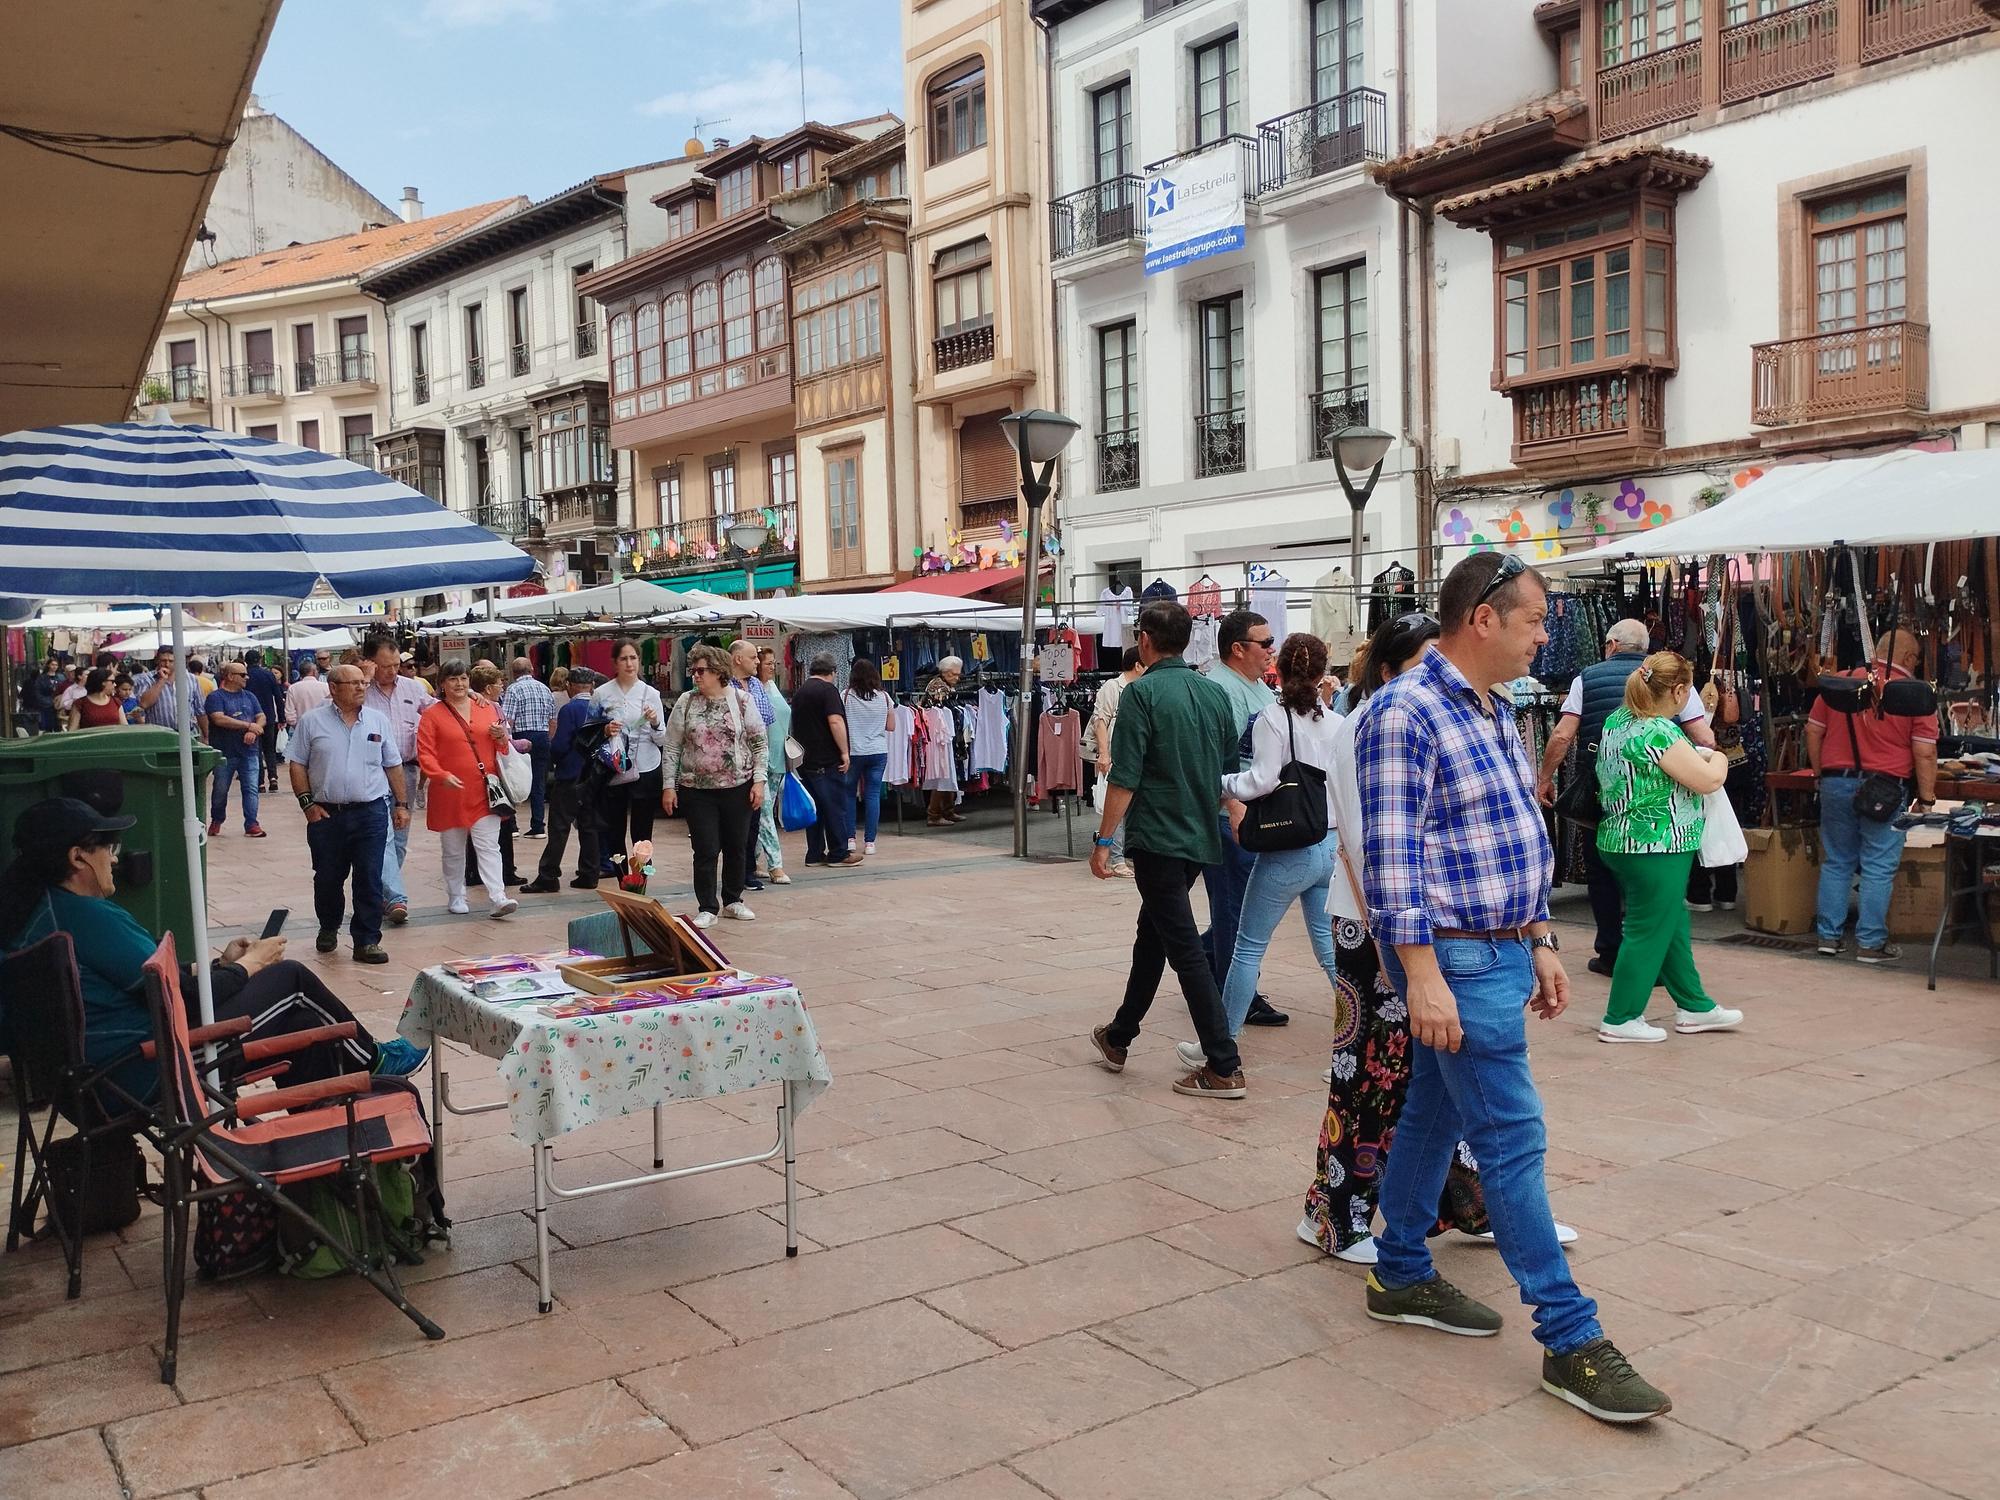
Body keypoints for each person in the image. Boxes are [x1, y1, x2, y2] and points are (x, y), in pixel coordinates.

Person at [1357, 551, 1671, 1425]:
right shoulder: (1404, 712)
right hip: (1453, 958)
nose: (1545, 636)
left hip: (1497, 946)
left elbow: (1509, 833)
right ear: (1482, 618)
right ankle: (1572, 1339)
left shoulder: (1495, 708)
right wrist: (1420, 975)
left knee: (1433, 1112)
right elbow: (1392, 860)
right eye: (1534, 621)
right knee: (1513, 1140)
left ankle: (1401, 1273)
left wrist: (1539, 936)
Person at [0, 798, 424, 1107]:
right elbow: (178, 996)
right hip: (149, 1066)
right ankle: (373, 1059)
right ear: (78, 857)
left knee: (302, 1021)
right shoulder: (85, 919)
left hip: (99, 1071)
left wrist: (222, 965)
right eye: (107, 844)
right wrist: (248, 967)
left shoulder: (43, 912)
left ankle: (322, 1126)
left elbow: (143, 980)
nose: (116, 855)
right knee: (291, 979)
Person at [1086, 601, 1246, 1100]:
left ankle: (1223, 1063)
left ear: (1146, 639)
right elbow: (1225, 770)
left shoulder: (1142, 694)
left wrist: (1104, 841)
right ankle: (1119, 1035)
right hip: (1198, 836)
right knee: (1152, 935)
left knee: (1181, 948)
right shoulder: (1215, 694)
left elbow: (1124, 776)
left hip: (1158, 837)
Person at [1173, 635, 1342, 1083]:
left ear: (1280, 672)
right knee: (1331, 955)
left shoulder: (1273, 718)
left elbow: (1263, 781)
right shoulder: (1338, 723)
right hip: (1328, 847)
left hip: (1287, 849)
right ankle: (1355, 1048)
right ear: (1323, 672)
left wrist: (1222, 783)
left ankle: (1220, 1045)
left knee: (1247, 947)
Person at [1536, 619, 1714, 977]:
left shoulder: (1585, 678)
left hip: (1603, 789)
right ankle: (1658, 959)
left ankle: (1612, 953)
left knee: (1603, 871)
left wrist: (1544, 779)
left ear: (1612, 645)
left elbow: (1561, 734)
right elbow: (1704, 737)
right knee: (1653, 878)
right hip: (1661, 798)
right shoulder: (1672, 680)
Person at [1593, 652, 1743, 1043]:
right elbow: (1708, 780)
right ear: (1677, 691)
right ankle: (1621, 1017)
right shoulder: (1659, 731)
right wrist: (1720, 757)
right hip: (1657, 845)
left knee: (1669, 922)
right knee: (1647, 930)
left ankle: (1695, 1006)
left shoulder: (1618, 721)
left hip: (1622, 841)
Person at [1808, 626, 1938, 964]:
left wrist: (1821, 774)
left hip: (1836, 781)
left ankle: (1828, 937)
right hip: (1885, 789)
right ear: (1909, 658)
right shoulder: (1915, 693)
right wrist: (1926, 798)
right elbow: (1924, 752)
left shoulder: (1840, 681)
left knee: (1837, 861)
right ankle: (1869, 943)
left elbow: (1813, 731)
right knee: (1878, 866)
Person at [1200, 610, 1288, 1027]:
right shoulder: (1221, 689)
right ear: (1238, 648)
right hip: (1230, 817)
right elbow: (1216, 758)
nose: (1272, 649)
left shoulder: (1257, 688)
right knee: (1235, 908)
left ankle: (1205, 957)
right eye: (1265, 643)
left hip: (1256, 815)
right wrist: (1233, 809)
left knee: (1241, 907)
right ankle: (1236, 995)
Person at [288, 664, 409, 964]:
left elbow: (392, 764)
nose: (360, 688)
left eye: (363, 683)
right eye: (353, 683)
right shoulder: (312, 722)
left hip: (370, 812)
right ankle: (329, 925)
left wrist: (402, 804)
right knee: (328, 878)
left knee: (369, 877)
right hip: (327, 815)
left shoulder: (377, 721)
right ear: (333, 688)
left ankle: (366, 940)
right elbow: (297, 764)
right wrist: (307, 804)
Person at [661, 643, 769, 928]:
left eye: (701, 671)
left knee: (737, 845)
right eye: (693, 670)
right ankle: (707, 905)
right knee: (706, 848)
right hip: (697, 789)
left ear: (719, 672)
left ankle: (733, 900)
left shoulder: (742, 700)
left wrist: (759, 781)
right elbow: (671, 746)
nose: (695, 676)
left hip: (737, 785)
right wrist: (668, 786)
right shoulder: (685, 702)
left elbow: (759, 743)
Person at [416, 660, 517, 920]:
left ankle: (498, 896)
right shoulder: (432, 714)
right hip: (449, 793)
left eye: (463, 678)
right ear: (442, 684)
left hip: (485, 790)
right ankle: (456, 895)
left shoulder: (487, 708)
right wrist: (440, 775)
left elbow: (504, 748)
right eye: (452, 679)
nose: (459, 684)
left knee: (489, 845)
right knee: (453, 849)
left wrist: (501, 738)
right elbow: (425, 752)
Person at [364, 635, 430, 929]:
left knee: (400, 838)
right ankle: (395, 897)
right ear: (370, 664)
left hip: (406, 770)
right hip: (372, 772)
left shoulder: (413, 688)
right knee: (384, 835)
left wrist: (472, 699)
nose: (391, 671)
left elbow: (440, 711)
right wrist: (364, 679)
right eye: (383, 666)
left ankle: (381, 894)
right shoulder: (360, 690)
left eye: (395, 665)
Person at [522, 669, 604, 894]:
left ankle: (548, 874)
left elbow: (560, 744)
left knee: (559, 826)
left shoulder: (570, 709)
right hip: (593, 775)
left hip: (570, 774)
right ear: (591, 685)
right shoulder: (599, 708)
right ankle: (589, 873)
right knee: (588, 826)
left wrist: (555, 759)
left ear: (571, 685)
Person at [593, 639, 667, 868]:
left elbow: (662, 739)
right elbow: (587, 734)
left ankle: (643, 878)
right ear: (615, 662)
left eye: (633, 658)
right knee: (614, 830)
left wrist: (654, 722)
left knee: (642, 833)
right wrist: (604, 730)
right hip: (613, 768)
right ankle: (622, 879)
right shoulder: (601, 693)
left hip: (645, 768)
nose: (629, 664)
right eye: (624, 658)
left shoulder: (651, 693)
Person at [792, 654, 857, 867]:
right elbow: (835, 721)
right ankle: (839, 853)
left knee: (816, 808)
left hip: (806, 759)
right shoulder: (828, 691)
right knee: (835, 806)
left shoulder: (801, 691)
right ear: (833, 672)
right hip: (826, 758)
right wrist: (845, 752)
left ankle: (814, 853)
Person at [1090, 648, 1144, 877]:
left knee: (1128, 807)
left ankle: (1124, 854)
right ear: (1138, 665)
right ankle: (1117, 857)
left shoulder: (1141, 689)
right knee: (1117, 808)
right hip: (1114, 755)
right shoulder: (1113, 687)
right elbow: (1099, 720)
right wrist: (1104, 754)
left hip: (1132, 756)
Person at [471, 664, 526, 888]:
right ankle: (506, 871)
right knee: (503, 820)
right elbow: (502, 737)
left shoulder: (472, 706)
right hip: (495, 771)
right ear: (488, 688)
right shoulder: (492, 708)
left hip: (481, 770)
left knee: (478, 823)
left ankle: (474, 872)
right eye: (498, 683)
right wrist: (522, 744)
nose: (502, 686)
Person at [729, 641, 776, 891]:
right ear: (738, 659)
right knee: (735, 824)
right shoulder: (724, 685)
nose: (757, 662)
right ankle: (736, 873)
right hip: (732, 763)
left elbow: (767, 716)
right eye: (753, 658)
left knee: (753, 819)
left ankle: (748, 871)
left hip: (755, 761)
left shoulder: (757, 685)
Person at [203, 659, 267, 838]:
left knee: (251, 788)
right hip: (225, 752)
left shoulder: (249, 696)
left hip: (249, 750)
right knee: (220, 789)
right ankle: (217, 818)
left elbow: (261, 717)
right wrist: (248, 725)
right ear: (230, 676)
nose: (247, 677)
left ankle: (252, 823)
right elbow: (219, 719)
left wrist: (255, 730)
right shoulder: (216, 697)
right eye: (242, 675)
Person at [843, 658, 894, 857]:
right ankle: (870, 842)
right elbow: (891, 726)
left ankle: (850, 839)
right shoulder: (885, 697)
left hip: (854, 751)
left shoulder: (845, 696)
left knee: (848, 794)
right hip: (878, 751)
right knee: (872, 795)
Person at [501, 657, 556, 839]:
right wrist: (548, 738)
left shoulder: (513, 689)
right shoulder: (545, 688)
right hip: (542, 735)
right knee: (538, 782)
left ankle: (513, 825)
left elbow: (508, 720)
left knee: (512, 780)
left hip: (521, 737)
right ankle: (538, 825)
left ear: (513, 672)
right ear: (532, 669)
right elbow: (552, 719)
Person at [755, 648, 792, 885]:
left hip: (778, 758)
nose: (772, 667)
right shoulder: (753, 690)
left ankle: (753, 859)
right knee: (766, 812)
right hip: (762, 758)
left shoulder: (773, 688)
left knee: (762, 813)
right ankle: (775, 864)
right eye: (767, 663)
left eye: (773, 662)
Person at [923, 657, 964, 826]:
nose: (957, 678)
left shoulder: (942, 685)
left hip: (942, 734)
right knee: (941, 772)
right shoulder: (938, 687)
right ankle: (934, 814)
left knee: (947, 772)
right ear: (946, 673)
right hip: (937, 736)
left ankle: (948, 809)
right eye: (954, 675)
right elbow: (938, 713)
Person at [132, 649, 205, 734]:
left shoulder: (191, 679)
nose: (167, 664)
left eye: (171, 661)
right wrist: (161, 681)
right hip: (159, 734)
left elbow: (200, 710)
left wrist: (206, 735)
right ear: (157, 661)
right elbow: (143, 703)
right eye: (163, 661)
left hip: (187, 733)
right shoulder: (145, 679)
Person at [244, 653, 284, 792]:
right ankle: (273, 777)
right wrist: (282, 717)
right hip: (269, 716)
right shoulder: (268, 675)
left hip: (250, 718)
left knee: (256, 750)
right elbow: (278, 697)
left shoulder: (245, 675)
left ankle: (260, 782)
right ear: (260, 660)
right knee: (270, 749)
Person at [286, 656, 329, 731]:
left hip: (300, 728)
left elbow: (289, 714)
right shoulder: (325, 687)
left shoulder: (293, 688)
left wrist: (296, 726)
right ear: (314, 672)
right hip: (322, 727)